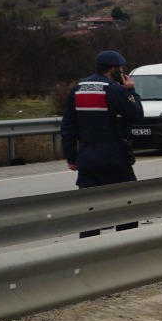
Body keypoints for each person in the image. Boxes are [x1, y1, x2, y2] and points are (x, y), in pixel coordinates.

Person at [60, 50, 144, 237]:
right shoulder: (114, 89)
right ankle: (124, 247)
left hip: (87, 159)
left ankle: (90, 252)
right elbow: (136, 116)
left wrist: (71, 157)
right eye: (121, 69)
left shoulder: (77, 89)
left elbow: (68, 127)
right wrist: (131, 90)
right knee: (126, 205)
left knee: (90, 210)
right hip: (114, 158)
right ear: (114, 70)